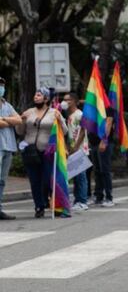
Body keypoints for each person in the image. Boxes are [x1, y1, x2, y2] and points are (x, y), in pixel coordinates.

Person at [17, 87, 68, 218]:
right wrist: (21, 121)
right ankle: (39, 206)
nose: (36, 97)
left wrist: (60, 120)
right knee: (34, 181)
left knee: (47, 179)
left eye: (39, 95)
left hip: (48, 152)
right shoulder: (29, 112)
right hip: (30, 151)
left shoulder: (54, 112)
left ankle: (51, 202)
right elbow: (20, 132)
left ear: (46, 98)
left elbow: (65, 131)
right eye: (35, 95)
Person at [62, 92, 90, 211]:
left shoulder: (79, 114)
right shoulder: (69, 115)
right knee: (76, 176)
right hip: (73, 149)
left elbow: (83, 130)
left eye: (67, 100)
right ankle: (77, 200)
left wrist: (76, 146)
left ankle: (83, 201)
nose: (64, 102)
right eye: (64, 99)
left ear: (73, 101)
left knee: (81, 176)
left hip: (80, 149)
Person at [87, 103, 115, 207]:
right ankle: (98, 196)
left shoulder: (107, 107)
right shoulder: (92, 107)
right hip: (94, 143)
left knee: (105, 170)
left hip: (104, 143)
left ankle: (109, 197)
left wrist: (104, 140)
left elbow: (108, 122)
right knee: (97, 170)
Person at [0, 77, 20, 220]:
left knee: (2, 180)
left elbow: (18, 120)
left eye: (2, 84)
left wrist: (4, 119)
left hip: (8, 146)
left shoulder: (7, 105)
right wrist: (9, 121)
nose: (1, 87)